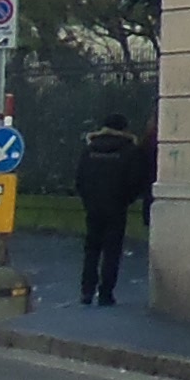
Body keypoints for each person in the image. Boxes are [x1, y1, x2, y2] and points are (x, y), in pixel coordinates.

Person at [72, 109, 150, 306]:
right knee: (112, 251)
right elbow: (135, 181)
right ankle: (106, 293)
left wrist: (88, 200)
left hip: (93, 207)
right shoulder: (130, 151)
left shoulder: (89, 149)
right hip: (116, 207)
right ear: (124, 128)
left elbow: (80, 179)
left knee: (91, 249)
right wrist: (125, 200)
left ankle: (86, 291)